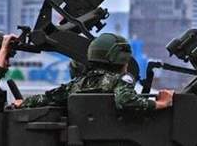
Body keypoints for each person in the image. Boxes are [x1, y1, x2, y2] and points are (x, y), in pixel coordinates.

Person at [19, 32, 173, 111]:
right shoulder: (121, 80)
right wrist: (161, 103)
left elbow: (47, 97)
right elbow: (125, 101)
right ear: (122, 60)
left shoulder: (78, 83)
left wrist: (22, 103)